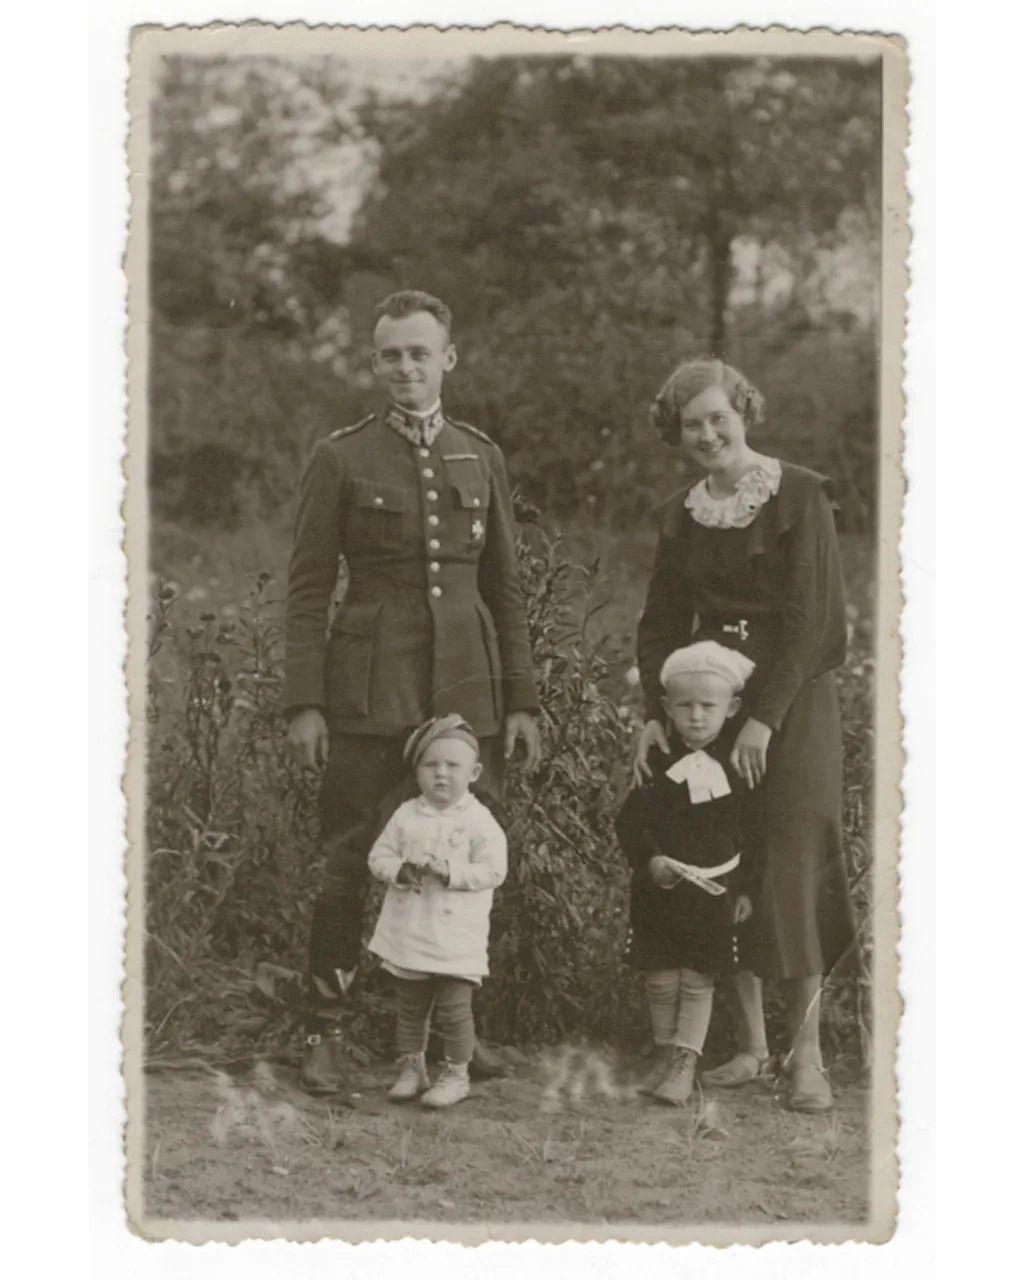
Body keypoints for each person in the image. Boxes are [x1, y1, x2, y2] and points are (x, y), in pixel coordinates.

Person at [284, 290, 541, 1094]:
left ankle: (459, 1040)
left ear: (447, 359)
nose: (405, 367)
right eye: (390, 354)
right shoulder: (342, 457)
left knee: (467, 855)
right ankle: (324, 1030)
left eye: (419, 353)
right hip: (369, 692)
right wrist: (305, 702)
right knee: (343, 863)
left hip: (467, 688)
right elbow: (306, 588)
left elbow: (503, 587)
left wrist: (523, 701)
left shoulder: (480, 455)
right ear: (375, 362)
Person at [633, 357, 854, 1114]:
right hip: (712, 707)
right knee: (730, 864)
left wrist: (766, 716)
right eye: (691, 424)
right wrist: (658, 714)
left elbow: (814, 619)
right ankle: (753, 1047)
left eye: (719, 417)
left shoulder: (797, 496)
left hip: (789, 709)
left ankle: (808, 1056)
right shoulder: (681, 513)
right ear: (677, 433)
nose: (708, 434)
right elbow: (659, 621)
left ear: (745, 412)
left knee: (790, 868)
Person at [617, 641, 760, 1106]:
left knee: (698, 978)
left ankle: (684, 1062)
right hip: (660, 891)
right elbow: (631, 821)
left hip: (713, 893)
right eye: (685, 706)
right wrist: (651, 859)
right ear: (666, 708)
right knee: (659, 975)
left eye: (708, 706)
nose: (696, 717)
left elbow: (754, 835)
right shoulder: (656, 759)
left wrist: (745, 890)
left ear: (732, 708)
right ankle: (663, 1051)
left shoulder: (741, 766)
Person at [367, 714, 507, 1108]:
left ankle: (456, 1074)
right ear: (417, 771)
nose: (441, 775)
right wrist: (399, 870)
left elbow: (496, 869)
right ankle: (413, 1067)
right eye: (431, 766)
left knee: (453, 1009)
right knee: (410, 1007)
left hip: (455, 935)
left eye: (452, 766)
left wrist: (452, 872)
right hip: (411, 927)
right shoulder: (408, 815)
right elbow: (378, 855)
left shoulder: (479, 820)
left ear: (474, 772)